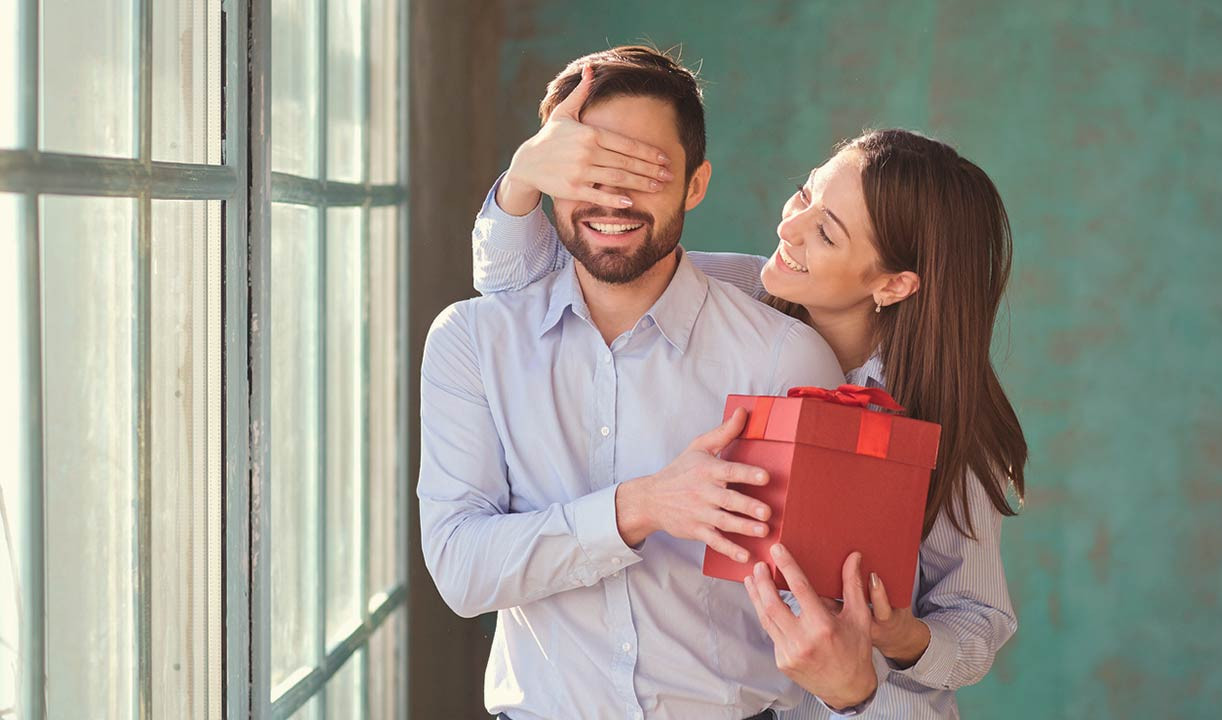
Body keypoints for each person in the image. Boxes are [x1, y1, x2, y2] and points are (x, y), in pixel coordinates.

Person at [469, 58, 1029, 720]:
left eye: (826, 231)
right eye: (805, 195)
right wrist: (528, 176)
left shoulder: (946, 425)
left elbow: (977, 623)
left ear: (894, 284)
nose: (788, 228)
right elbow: (524, 294)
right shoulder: (720, 294)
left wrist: (901, 639)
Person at [418, 45, 887, 720]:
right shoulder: (471, 342)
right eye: (589, 170)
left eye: (643, 172)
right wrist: (638, 507)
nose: (612, 199)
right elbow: (462, 571)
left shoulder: (784, 359)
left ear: (695, 185)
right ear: (549, 178)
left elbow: (821, 611)